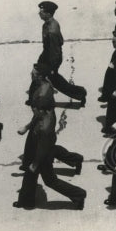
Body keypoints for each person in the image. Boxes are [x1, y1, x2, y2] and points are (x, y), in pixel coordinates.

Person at [14, 77, 86, 210]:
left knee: (50, 181)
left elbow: (43, 148)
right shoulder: (45, 112)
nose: (33, 111)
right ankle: (26, 201)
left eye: (35, 109)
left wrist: (35, 163)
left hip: (42, 155)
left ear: (42, 110)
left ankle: (79, 194)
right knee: (30, 176)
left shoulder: (45, 127)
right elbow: (36, 117)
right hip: (39, 148)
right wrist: (27, 127)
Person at [20, 63, 83, 174]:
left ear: (39, 76)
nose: (31, 74)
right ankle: (26, 164)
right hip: (41, 118)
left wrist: (27, 126)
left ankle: (76, 159)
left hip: (45, 122)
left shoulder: (43, 93)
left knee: (49, 149)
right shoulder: (39, 84)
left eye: (33, 73)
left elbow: (40, 114)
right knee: (31, 142)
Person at [37, 1, 87, 105]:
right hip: (46, 54)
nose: (39, 13)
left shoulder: (52, 30)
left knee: (56, 81)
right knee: (36, 74)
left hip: (52, 57)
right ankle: (34, 98)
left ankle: (80, 93)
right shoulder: (48, 24)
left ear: (49, 14)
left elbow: (55, 50)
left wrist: (52, 67)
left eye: (41, 12)